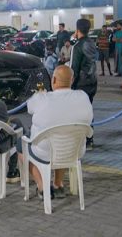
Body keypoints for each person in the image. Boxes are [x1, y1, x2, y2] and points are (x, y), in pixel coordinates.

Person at [27, 65, 93, 198]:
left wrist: (39, 95)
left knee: (22, 146)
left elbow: (29, 108)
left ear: (54, 80)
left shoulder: (42, 98)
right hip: (74, 150)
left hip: (45, 152)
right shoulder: (83, 96)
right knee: (64, 137)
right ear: (72, 80)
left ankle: (42, 187)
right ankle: (58, 184)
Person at [70, 18, 98, 149]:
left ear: (77, 29)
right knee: (88, 110)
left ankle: (83, 140)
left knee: (79, 112)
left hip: (80, 83)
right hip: (92, 81)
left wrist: (70, 85)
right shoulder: (91, 43)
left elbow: (73, 69)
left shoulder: (77, 46)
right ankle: (89, 139)